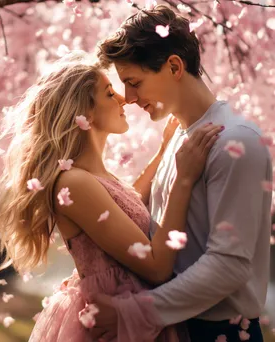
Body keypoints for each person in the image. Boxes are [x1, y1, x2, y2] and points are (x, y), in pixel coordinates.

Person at [0, 52, 223, 342]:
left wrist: (163, 153)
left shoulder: (93, 179)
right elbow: (156, 266)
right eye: (110, 93)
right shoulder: (73, 183)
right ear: (83, 112)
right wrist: (184, 178)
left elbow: (128, 206)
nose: (124, 100)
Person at [90, 4, 273, 342]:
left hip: (218, 333)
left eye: (134, 82)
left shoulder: (235, 141)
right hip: (177, 327)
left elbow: (230, 264)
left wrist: (135, 311)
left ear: (174, 66)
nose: (128, 98)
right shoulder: (179, 136)